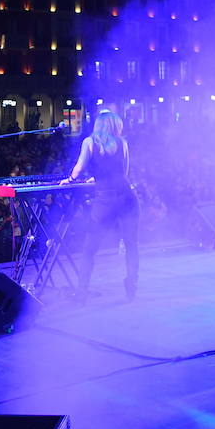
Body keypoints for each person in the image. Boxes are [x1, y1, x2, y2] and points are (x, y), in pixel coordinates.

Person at [63, 108, 140, 301]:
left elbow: (79, 168)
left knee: (90, 248)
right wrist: (98, 178)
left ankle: (81, 292)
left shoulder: (89, 142)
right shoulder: (122, 143)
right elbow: (124, 172)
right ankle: (131, 286)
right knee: (131, 245)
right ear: (115, 126)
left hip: (105, 200)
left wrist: (70, 179)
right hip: (127, 197)